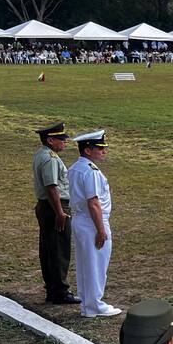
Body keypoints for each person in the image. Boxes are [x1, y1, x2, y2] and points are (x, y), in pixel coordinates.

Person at [69, 130, 121, 318]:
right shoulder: (90, 171)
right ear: (88, 151)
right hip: (93, 222)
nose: (103, 151)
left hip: (81, 220)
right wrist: (100, 230)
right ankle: (95, 306)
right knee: (96, 265)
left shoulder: (75, 167)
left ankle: (87, 304)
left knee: (85, 264)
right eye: (99, 148)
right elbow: (94, 203)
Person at [33, 122, 78, 304]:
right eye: (61, 139)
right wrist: (60, 212)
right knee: (59, 249)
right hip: (55, 207)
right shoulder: (50, 158)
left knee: (49, 249)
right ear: (51, 140)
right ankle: (59, 291)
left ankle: (52, 288)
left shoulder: (41, 154)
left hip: (46, 206)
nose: (64, 143)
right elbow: (51, 187)